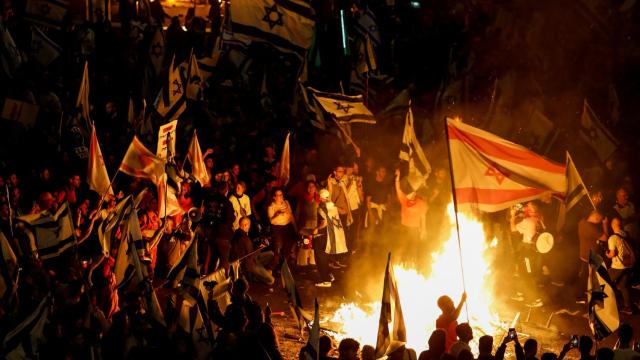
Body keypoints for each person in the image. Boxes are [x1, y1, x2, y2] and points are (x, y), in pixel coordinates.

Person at [510, 202, 545, 307]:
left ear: (531, 210)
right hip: (536, 251)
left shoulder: (528, 221)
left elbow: (513, 229)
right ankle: (520, 293)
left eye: (528, 207)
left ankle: (537, 300)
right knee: (522, 271)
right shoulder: (540, 220)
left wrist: (512, 216)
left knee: (528, 275)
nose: (525, 208)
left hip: (528, 253)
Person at [313, 189, 348, 287]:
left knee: (320, 258)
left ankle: (326, 280)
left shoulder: (322, 207)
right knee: (326, 257)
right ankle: (329, 275)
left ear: (321, 198)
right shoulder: (333, 206)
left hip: (323, 235)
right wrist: (335, 205)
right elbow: (344, 211)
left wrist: (316, 229)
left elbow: (323, 223)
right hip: (333, 236)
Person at [231, 216, 274, 285]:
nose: (249, 227)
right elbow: (250, 256)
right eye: (249, 225)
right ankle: (255, 276)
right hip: (249, 264)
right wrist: (261, 247)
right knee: (271, 280)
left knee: (271, 254)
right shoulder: (244, 239)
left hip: (249, 260)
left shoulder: (237, 233)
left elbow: (248, 251)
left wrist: (259, 246)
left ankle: (261, 271)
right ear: (245, 225)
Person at [606, 217, 635, 314]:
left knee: (604, 280)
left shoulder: (612, 238)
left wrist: (607, 254)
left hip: (618, 266)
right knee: (624, 286)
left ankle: (607, 305)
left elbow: (612, 254)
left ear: (612, 225)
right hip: (628, 264)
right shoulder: (625, 234)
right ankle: (628, 308)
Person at [267, 188, 296, 269]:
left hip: (287, 227)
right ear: (274, 197)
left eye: (281, 194)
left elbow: (291, 216)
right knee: (278, 248)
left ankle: (283, 267)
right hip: (278, 229)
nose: (280, 196)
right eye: (278, 195)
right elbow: (271, 221)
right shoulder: (271, 206)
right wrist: (277, 214)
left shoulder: (286, 202)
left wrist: (295, 227)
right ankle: (272, 267)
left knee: (288, 247)